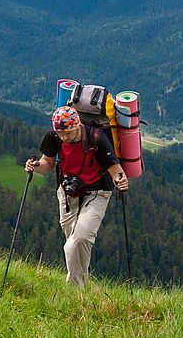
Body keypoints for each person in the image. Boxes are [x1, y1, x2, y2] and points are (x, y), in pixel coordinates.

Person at [25, 105, 129, 287]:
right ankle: (83, 287)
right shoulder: (54, 136)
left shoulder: (96, 138)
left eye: (69, 133)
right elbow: (47, 163)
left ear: (77, 125)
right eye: (60, 133)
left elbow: (115, 170)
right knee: (76, 243)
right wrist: (35, 166)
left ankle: (74, 289)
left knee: (78, 240)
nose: (64, 137)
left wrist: (121, 181)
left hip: (97, 192)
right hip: (67, 191)